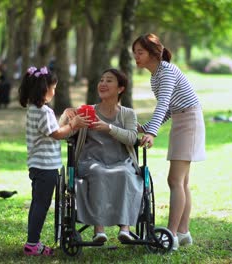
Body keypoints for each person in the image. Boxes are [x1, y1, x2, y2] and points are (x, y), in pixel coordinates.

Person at [132, 33, 206, 250]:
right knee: (181, 182)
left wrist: (152, 133)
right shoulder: (155, 75)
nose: (136, 56)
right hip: (181, 119)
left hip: (190, 121)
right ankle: (183, 233)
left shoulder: (166, 71)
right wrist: (147, 128)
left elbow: (164, 103)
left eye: (140, 52)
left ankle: (171, 236)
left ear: (153, 52)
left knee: (175, 181)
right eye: (134, 52)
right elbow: (169, 108)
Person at [59, 69, 143, 243]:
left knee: (125, 174)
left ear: (120, 89)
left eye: (109, 80)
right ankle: (99, 230)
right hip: (91, 161)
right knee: (98, 173)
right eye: (101, 80)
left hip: (121, 161)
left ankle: (125, 229)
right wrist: (67, 118)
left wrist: (109, 128)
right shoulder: (87, 111)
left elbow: (132, 138)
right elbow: (66, 135)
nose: (103, 84)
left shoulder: (128, 114)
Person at [18, 65, 90, 256]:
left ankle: (32, 241)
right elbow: (57, 133)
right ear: (44, 89)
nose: (55, 91)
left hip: (38, 166)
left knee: (37, 204)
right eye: (54, 87)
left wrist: (66, 117)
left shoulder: (34, 109)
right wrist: (73, 124)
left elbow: (52, 130)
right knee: (41, 205)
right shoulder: (43, 112)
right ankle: (32, 244)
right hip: (45, 167)